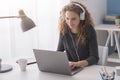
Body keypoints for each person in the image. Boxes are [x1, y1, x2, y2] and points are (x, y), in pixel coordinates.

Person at [57, 2, 99, 69]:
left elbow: (94, 57)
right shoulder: (64, 31)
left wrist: (77, 64)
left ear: (81, 17)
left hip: (88, 68)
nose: (70, 22)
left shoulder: (89, 30)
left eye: (73, 19)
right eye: (67, 18)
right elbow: (59, 53)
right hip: (72, 69)